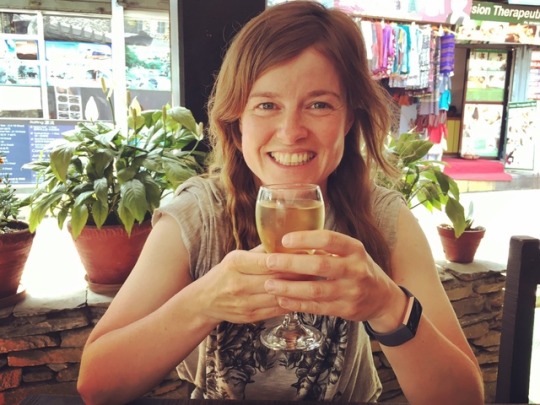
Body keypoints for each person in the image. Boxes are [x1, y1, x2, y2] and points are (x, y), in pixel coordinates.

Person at [77, 2, 484, 404]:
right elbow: (96, 384)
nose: (291, 132)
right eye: (267, 105)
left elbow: (464, 398)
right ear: (237, 121)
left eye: (319, 104)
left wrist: (388, 305)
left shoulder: (382, 215)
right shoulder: (198, 215)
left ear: (348, 119)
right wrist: (203, 301)